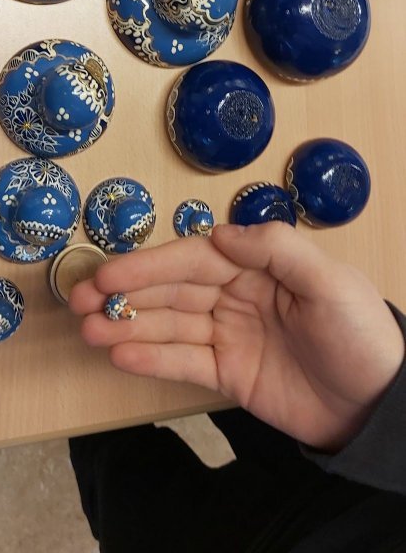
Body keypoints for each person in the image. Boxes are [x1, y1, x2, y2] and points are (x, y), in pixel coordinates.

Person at [68, 223, 406, 552]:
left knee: (120, 477)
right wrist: (386, 408)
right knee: (216, 355)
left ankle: (81, 393)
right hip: (378, 475)